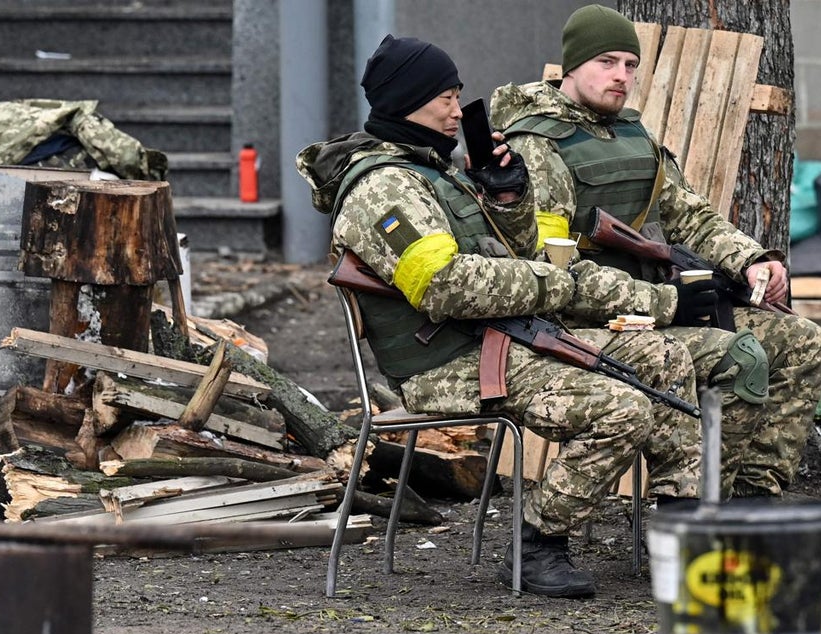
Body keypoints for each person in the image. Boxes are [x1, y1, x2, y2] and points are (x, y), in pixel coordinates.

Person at [296, 34, 711, 599]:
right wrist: (555, 286)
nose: (454, 110)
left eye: (456, 95)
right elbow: (446, 286)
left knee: (663, 356)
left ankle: (680, 530)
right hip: (445, 362)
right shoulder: (382, 187)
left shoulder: (431, 170)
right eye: (444, 97)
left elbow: (514, 256)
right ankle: (537, 544)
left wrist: (507, 198)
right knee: (620, 409)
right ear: (405, 102)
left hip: (498, 339)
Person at [491, 5, 821, 499]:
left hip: (657, 304)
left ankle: (751, 498)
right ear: (572, 65)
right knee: (742, 356)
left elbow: (689, 213)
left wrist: (751, 260)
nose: (621, 77)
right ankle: (699, 507)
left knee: (804, 341)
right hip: (586, 316)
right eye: (607, 62)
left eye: (630, 65)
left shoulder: (631, 132)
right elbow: (552, 264)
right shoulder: (537, 144)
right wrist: (662, 300)